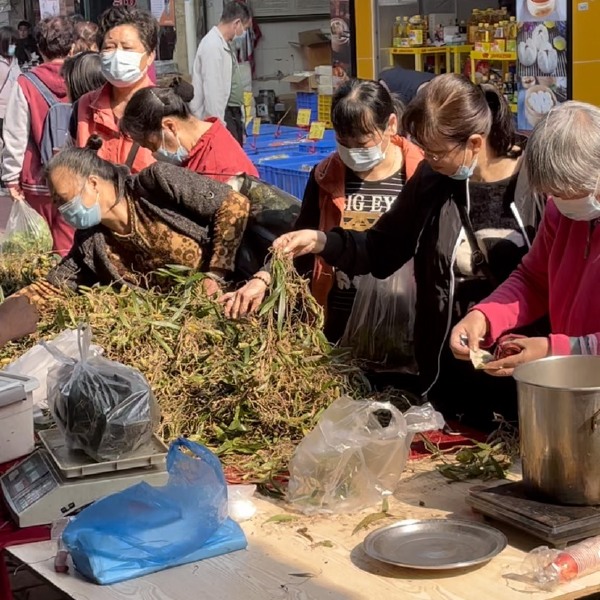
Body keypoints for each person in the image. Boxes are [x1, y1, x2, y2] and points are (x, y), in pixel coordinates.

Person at [268, 74, 545, 430]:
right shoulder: (433, 181)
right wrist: (323, 242)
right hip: (451, 381)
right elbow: (381, 248)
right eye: (425, 150)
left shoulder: (536, 183)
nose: (428, 159)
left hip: (528, 379)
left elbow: (549, 278)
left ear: (474, 142)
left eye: (436, 152)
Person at [221, 79, 423, 344]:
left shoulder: (420, 174)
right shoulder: (326, 176)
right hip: (339, 319)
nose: (352, 153)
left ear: (391, 125)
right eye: (343, 142)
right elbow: (303, 240)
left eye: (362, 144)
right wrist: (264, 277)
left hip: (410, 320)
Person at [0, 136, 253, 347]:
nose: (60, 208)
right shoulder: (90, 244)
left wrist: (216, 274)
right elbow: (49, 291)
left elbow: (233, 204)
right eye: (55, 201)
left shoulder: (157, 183)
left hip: (241, 299)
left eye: (63, 198)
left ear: (93, 182)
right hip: (186, 333)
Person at [450, 101, 600, 374]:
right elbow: (534, 280)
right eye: (554, 193)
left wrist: (552, 349)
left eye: (570, 192)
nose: (559, 201)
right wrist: (485, 316)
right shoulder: (561, 212)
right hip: (574, 379)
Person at [2, 17, 76, 256]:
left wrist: (11, 178)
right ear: (73, 47)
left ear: (38, 49)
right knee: (69, 250)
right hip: (76, 177)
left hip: (37, 180)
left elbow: (15, 134)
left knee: (37, 252)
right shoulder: (82, 78)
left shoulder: (26, 83)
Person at [70, 6, 158, 173]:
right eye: (110, 47)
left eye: (127, 48)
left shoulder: (165, 109)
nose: (118, 55)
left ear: (150, 55)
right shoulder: (84, 107)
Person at [120, 79, 258, 182]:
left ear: (170, 127)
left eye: (152, 146)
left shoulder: (219, 170)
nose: (154, 155)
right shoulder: (201, 146)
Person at [190, 0, 252, 145]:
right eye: (245, 28)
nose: (244, 33)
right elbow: (213, 91)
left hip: (232, 113)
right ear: (236, 23)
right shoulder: (212, 46)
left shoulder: (224, 44)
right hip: (223, 115)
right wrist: (218, 126)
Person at [0, 26, 21, 137]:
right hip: (1, 112)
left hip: (14, 109)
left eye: (15, 43)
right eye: (11, 43)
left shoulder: (14, 60)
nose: (14, 46)